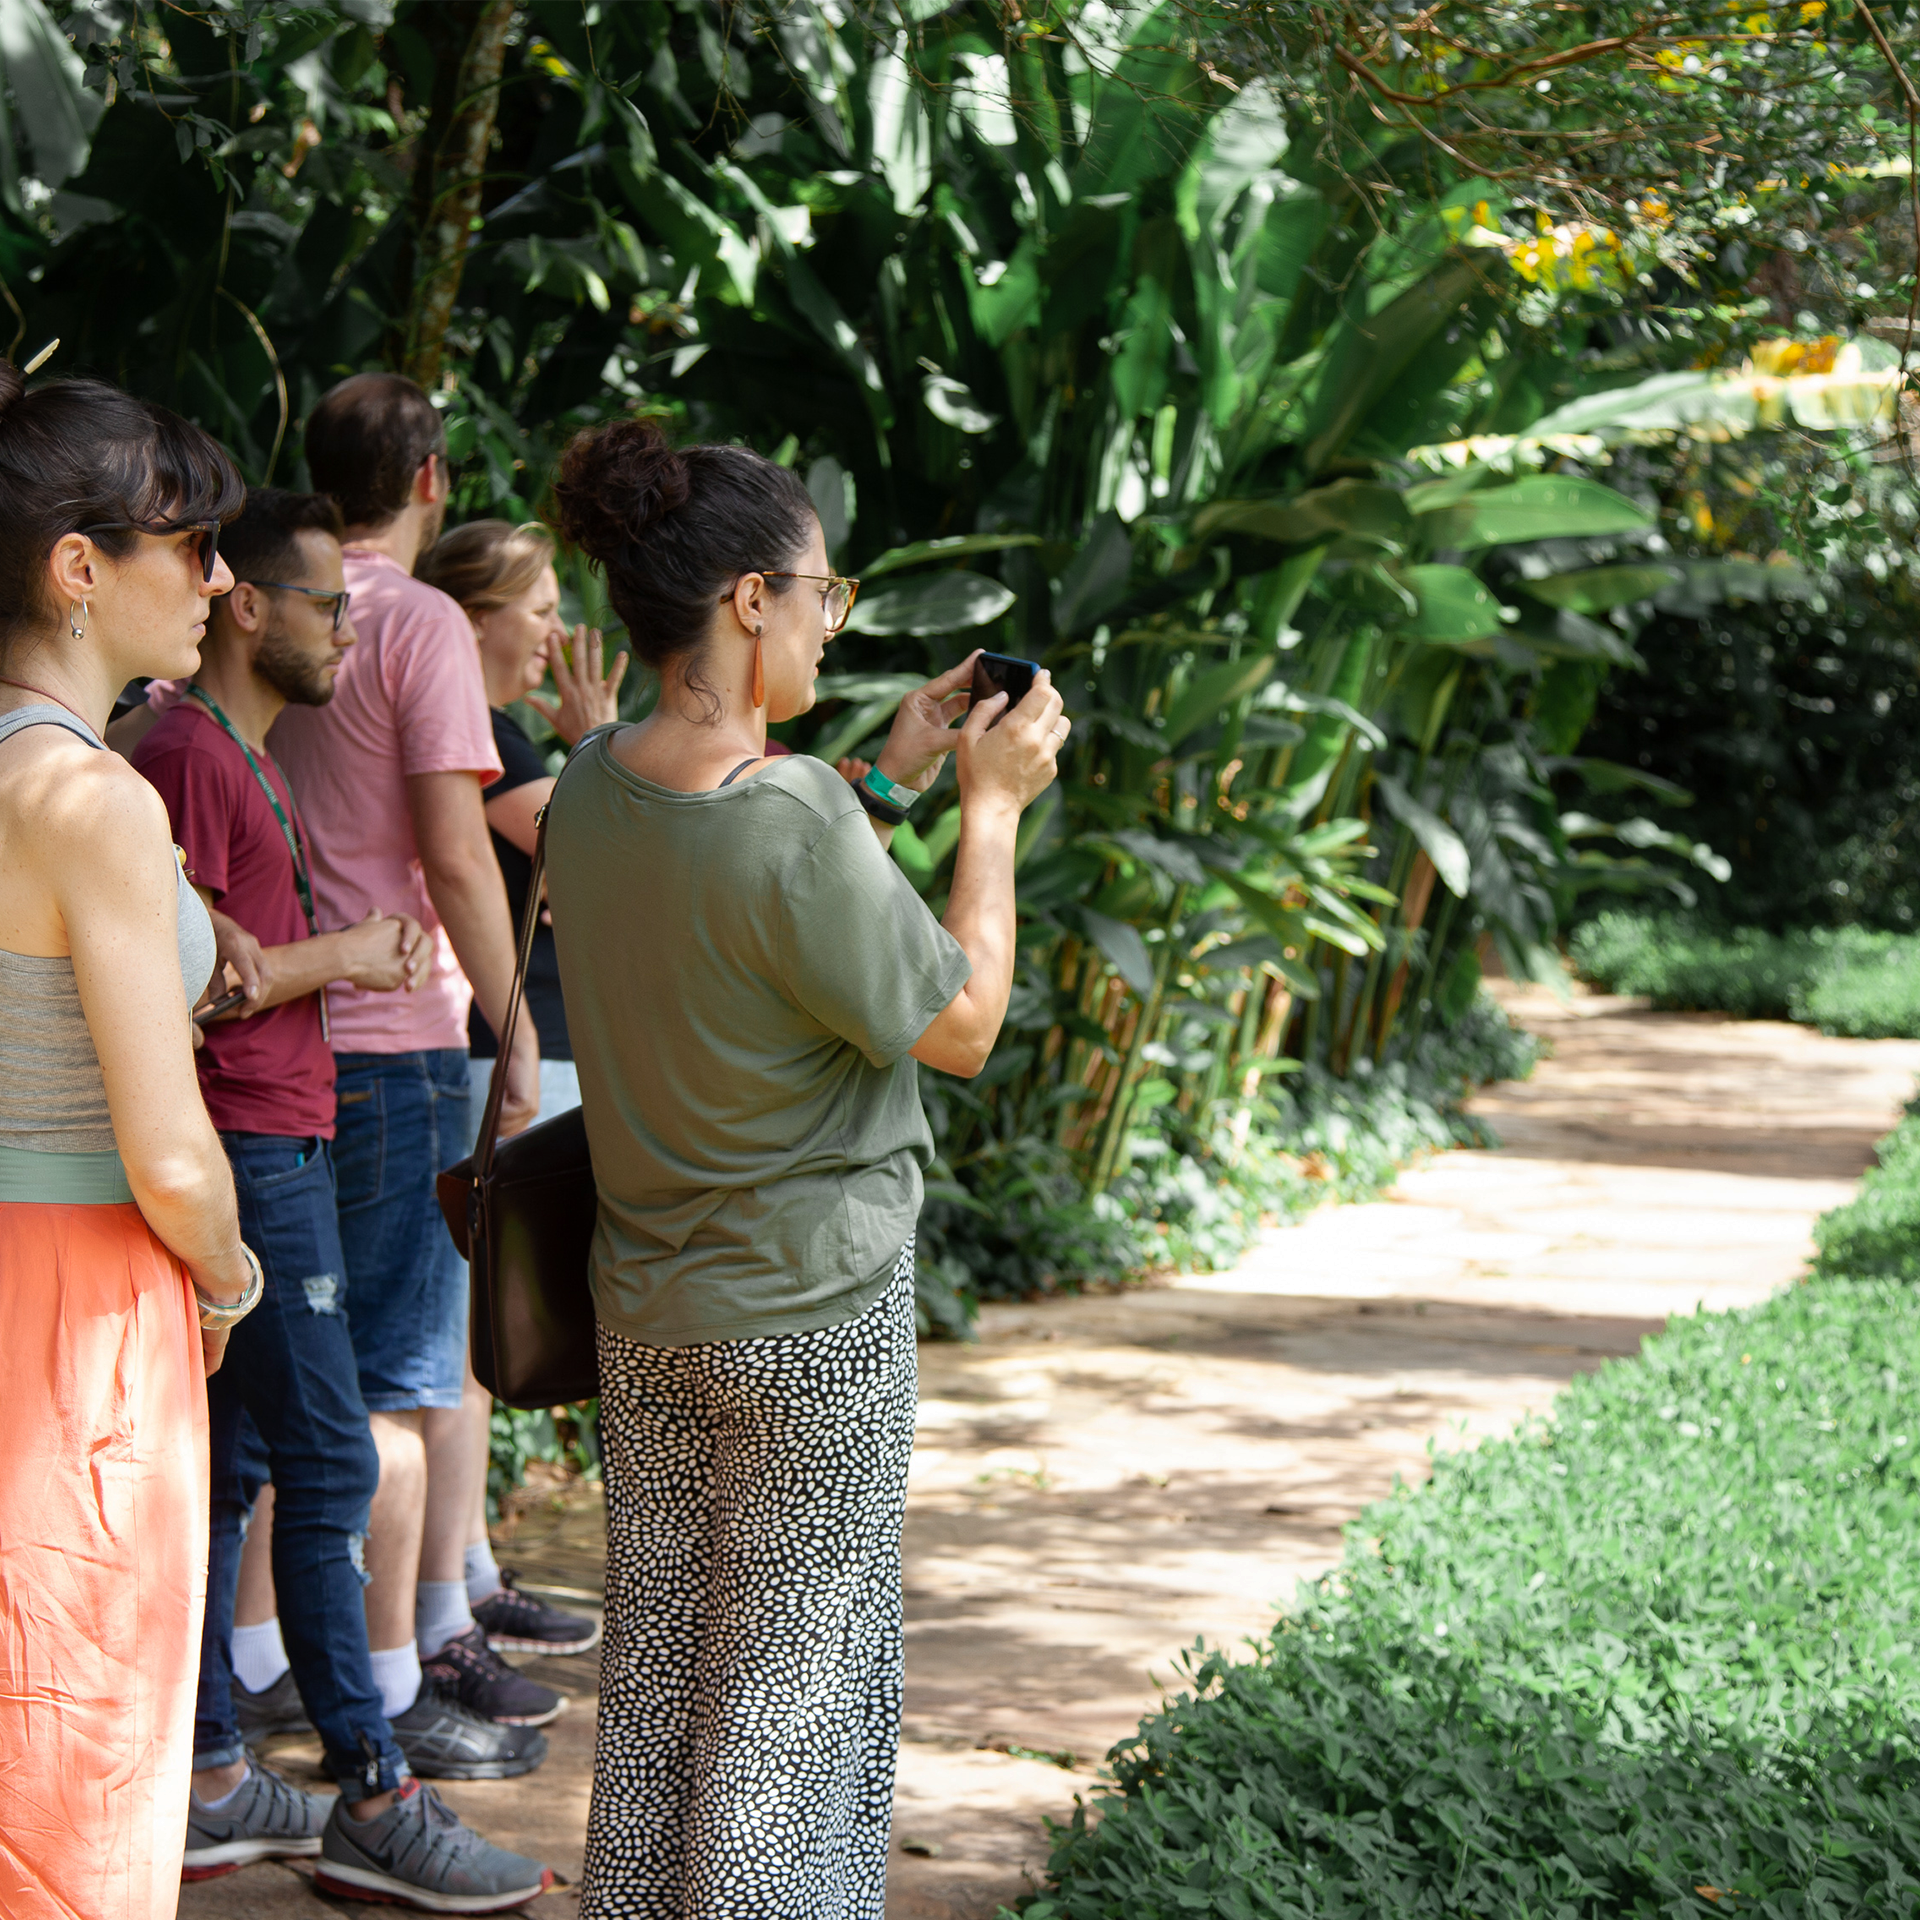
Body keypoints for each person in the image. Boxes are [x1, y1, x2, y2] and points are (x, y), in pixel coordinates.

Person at [544, 420, 1069, 1917]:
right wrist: (989, 812)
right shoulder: (789, 822)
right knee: (790, 1713)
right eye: (825, 596)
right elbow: (958, 1024)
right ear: (750, 602)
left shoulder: (587, 783)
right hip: (812, 1322)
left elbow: (752, 878)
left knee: (660, 1692)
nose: (833, 625)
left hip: (647, 1312)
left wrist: (885, 774)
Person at [131, 487, 553, 1908]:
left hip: (290, 1137)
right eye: (325, 605)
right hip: (254, 1149)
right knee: (331, 1464)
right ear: (246, 604)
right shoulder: (186, 751)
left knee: (253, 1471)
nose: (350, 626)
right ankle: (376, 1791)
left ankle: (206, 1776)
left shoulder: (238, 753)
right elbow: (190, 974)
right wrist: (347, 955)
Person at [0, 368, 261, 1916]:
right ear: (79, 567)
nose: (218, 582)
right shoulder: (90, 802)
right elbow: (168, 1154)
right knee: (73, 1766)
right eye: (192, 544)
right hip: (88, 1304)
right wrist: (222, 1283)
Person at [416, 518, 622, 1660]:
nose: (555, 629)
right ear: (477, 615)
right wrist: (593, 751)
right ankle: (451, 1594)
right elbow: (603, 848)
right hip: (496, 1049)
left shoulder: (495, 732)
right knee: (478, 1329)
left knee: (489, 1329)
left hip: (530, 1044)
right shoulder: (484, 733)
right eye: (538, 605)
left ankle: (473, 1569)